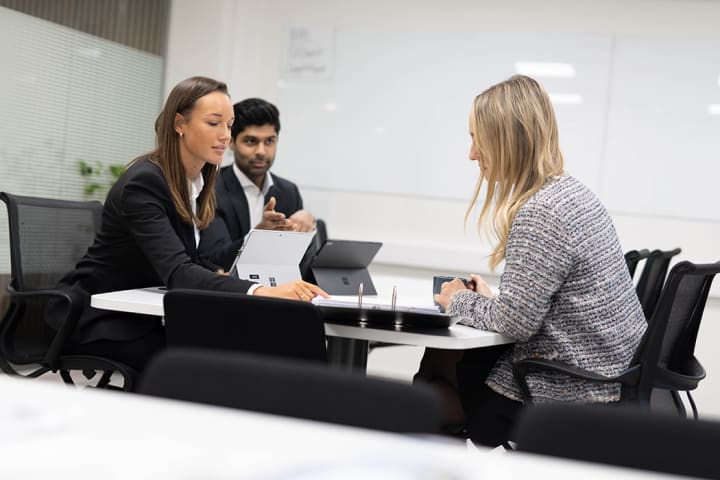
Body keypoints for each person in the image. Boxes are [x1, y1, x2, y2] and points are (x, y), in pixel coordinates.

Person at [416, 75, 647, 446]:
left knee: (436, 372)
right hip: (605, 378)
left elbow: (516, 323)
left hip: (567, 387)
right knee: (443, 363)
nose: (471, 154)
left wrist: (457, 299)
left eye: (477, 139)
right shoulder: (572, 194)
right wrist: (494, 300)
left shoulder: (543, 212)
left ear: (506, 141)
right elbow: (540, 307)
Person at [48, 77, 327, 373]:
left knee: (271, 341)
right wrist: (261, 291)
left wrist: (254, 244)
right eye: (214, 123)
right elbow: (179, 272)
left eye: (229, 125)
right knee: (210, 360)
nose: (225, 135)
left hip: (147, 312)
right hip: (99, 317)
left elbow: (202, 261)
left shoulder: (196, 183)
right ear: (180, 124)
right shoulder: (145, 183)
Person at [199, 98, 315, 270]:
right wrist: (259, 236)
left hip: (275, 291)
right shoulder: (210, 187)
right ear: (231, 142)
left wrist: (308, 229)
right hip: (227, 291)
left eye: (269, 141)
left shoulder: (289, 192)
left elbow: (299, 264)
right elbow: (214, 259)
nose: (261, 151)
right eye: (251, 141)